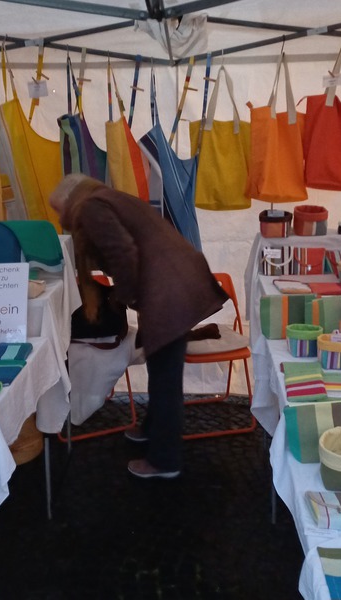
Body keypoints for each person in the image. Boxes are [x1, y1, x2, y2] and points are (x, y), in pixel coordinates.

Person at [49, 174, 228, 479]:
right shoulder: (109, 198)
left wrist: (124, 297)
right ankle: (152, 429)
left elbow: (123, 253)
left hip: (167, 289)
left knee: (165, 376)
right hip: (177, 281)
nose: (60, 218)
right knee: (161, 368)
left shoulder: (91, 207)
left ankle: (165, 461)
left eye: (58, 210)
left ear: (69, 200)